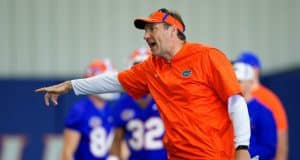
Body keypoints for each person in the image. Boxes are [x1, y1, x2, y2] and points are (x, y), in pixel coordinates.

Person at [36, 8, 251, 160]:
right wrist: (70, 86)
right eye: (144, 31)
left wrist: (242, 147)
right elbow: (114, 81)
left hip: (214, 155)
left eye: (152, 29)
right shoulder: (152, 67)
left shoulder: (208, 56)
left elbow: (236, 101)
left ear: (173, 30)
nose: (146, 36)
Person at [109, 48, 168, 160]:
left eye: (144, 66)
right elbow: (117, 140)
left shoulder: (167, 98)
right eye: (137, 67)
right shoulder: (123, 103)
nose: (141, 72)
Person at [61, 59, 120, 160]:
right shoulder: (80, 111)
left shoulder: (110, 110)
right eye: (106, 80)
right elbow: (67, 154)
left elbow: (119, 148)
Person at [235, 51, 289, 160]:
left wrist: (243, 153)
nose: (236, 84)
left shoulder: (266, 103)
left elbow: (278, 140)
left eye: (239, 81)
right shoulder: (230, 104)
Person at [234, 62, 277, 159]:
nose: (234, 84)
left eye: (239, 81)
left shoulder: (263, 112)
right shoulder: (227, 108)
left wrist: (242, 152)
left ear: (249, 83)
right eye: (233, 81)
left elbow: (269, 148)